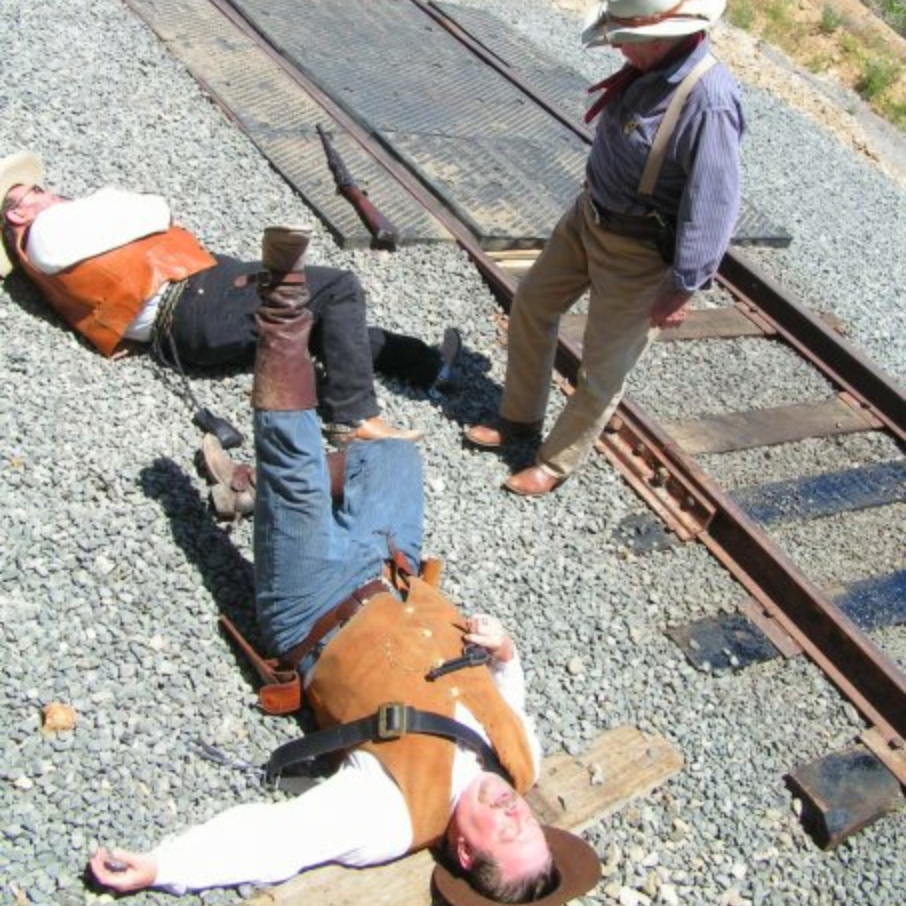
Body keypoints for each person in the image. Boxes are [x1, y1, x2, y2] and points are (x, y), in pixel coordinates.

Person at [87, 226, 600, 903]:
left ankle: (282, 299)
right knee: (391, 456)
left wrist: (163, 866)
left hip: (314, 607)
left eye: (506, 833)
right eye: (527, 824)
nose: (514, 812)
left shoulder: (392, 816)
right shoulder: (520, 763)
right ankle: (253, 490)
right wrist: (504, 651)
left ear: (465, 849)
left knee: (296, 456)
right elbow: (512, 692)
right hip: (393, 571)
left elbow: (283, 840)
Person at [465, 0, 743, 496]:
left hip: (639, 252)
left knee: (603, 366)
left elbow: (714, 204)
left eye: (626, 38)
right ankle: (520, 419)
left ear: (666, 37)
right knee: (533, 304)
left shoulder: (710, 102)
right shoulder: (649, 69)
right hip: (588, 217)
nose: (617, 46)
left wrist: (683, 285)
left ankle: (555, 462)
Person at [0, 151, 462, 446]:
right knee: (337, 287)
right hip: (194, 302)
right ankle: (353, 417)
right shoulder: (47, 231)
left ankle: (428, 367)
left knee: (320, 320)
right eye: (33, 192)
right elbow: (155, 208)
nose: (48, 192)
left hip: (195, 306)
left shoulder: (52, 238)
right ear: (18, 213)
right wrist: (102, 200)